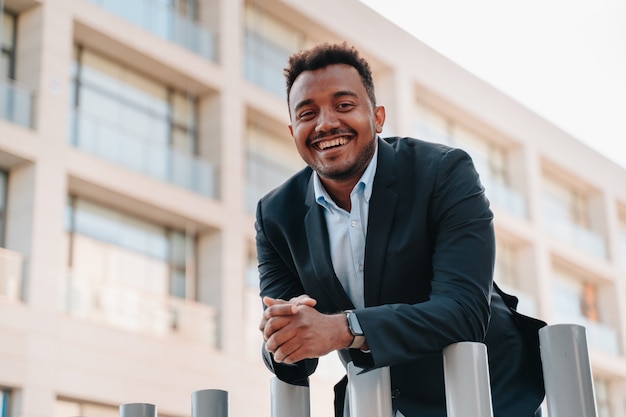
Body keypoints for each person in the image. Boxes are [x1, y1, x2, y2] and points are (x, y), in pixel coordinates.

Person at [256, 42, 546, 417]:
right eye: (308, 113)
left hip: (484, 397)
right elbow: (295, 353)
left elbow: (463, 312)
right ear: (293, 130)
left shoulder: (443, 172)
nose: (326, 123)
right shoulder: (276, 214)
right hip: (375, 403)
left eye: (344, 106)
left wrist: (343, 328)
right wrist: (282, 338)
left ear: (378, 117)